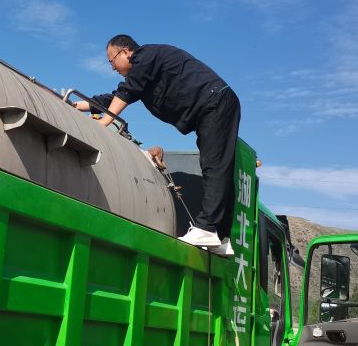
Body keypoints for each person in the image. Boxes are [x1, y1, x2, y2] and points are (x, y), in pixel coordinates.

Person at [73, 34, 241, 256]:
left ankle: (207, 228)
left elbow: (127, 91)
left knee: (214, 166)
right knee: (218, 167)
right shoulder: (146, 73)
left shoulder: (146, 56)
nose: (112, 68)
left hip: (215, 102)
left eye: (111, 61)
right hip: (213, 106)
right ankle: (221, 237)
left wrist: (105, 122)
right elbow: (113, 98)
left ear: (126, 52)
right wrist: (75, 105)